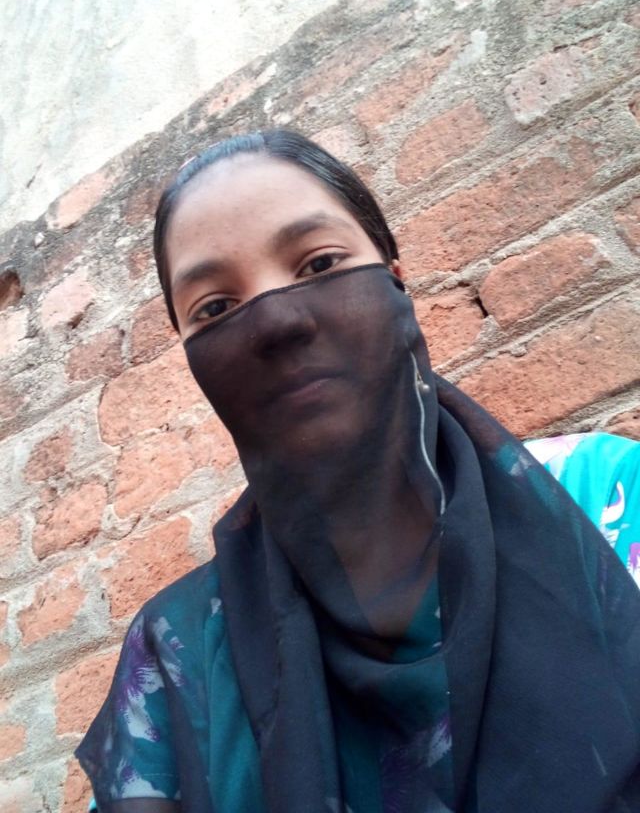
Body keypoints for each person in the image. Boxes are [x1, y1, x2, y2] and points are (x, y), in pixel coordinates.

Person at [76, 130, 640, 813]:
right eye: (215, 308)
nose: (276, 321)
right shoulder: (175, 658)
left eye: (319, 263)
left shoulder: (606, 501)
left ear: (396, 277)